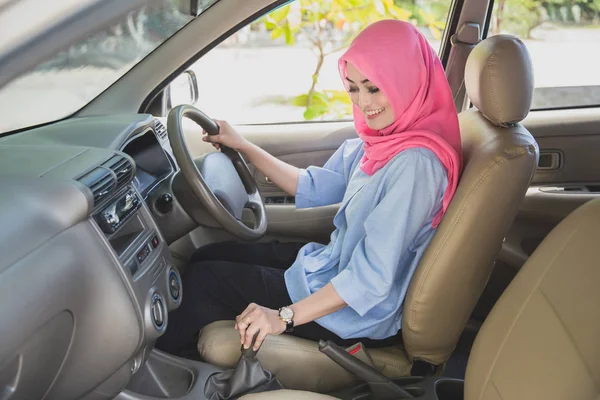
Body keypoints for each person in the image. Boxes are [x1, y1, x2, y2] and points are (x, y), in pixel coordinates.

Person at [155, 19, 462, 358]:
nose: (362, 102)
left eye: (374, 88)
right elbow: (313, 186)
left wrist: (283, 317)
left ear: (406, 81)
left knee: (205, 281)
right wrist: (243, 146)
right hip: (330, 266)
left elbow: (370, 278)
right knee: (205, 255)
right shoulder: (384, 140)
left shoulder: (416, 164)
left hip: (356, 314)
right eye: (354, 88)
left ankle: (165, 376)